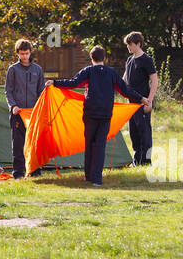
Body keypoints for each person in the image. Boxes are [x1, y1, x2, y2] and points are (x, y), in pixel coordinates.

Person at [53, 46, 148, 187]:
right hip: (105, 114)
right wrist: (141, 98)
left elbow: (73, 83)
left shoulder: (88, 71)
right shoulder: (112, 73)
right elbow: (125, 90)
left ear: (91, 58)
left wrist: (55, 83)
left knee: (89, 143)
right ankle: (97, 179)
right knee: (100, 145)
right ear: (105, 58)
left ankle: (88, 175)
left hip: (90, 113)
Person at [4, 39, 45, 180]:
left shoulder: (38, 69)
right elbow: (8, 91)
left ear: (30, 52)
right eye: (21, 54)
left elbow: (41, 91)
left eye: (26, 53)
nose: (24, 57)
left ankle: (34, 170)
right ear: (17, 53)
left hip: (33, 113)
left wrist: (39, 108)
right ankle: (18, 173)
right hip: (18, 112)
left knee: (35, 142)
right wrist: (13, 106)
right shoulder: (13, 69)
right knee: (18, 143)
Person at [123, 32, 158, 166]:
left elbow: (154, 81)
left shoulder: (146, 60)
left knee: (144, 132)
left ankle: (146, 161)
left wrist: (149, 101)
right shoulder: (129, 60)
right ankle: (136, 160)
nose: (129, 47)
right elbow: (124, 80)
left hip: (143, 102)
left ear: (138, 44)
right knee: (133, 133)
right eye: (127, 45)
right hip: (130, 104)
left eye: (130, 45)